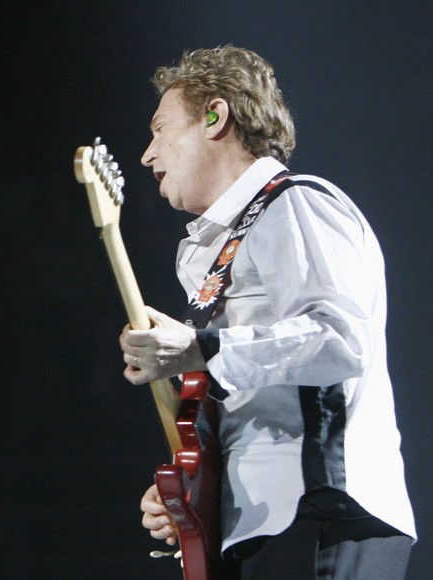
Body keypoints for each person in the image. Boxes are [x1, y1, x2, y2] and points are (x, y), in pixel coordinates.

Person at [121, 46, 415, 578]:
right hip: (259, 526)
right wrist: (189, 493)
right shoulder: (216, 250)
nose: (147, 154)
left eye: (160, 129)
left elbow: (340, 339)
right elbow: (243, 398)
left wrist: (199, 346)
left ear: (215, 116)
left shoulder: (295, 203)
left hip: (323, 510)